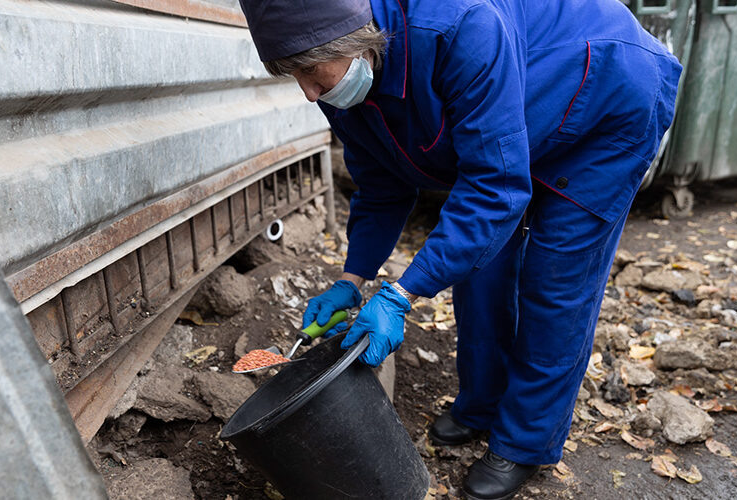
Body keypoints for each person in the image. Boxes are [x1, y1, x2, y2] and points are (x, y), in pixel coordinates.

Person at [238, 0, 681, 498]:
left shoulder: (457, 27)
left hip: (607, 95)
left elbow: (495, 189)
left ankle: (523, 442)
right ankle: (480, 405)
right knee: (481, 265)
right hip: (522, 110)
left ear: (353, 39)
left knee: (555, 282)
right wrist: (352, 279)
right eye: (292, 76)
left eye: (309, 71)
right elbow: (382, 185)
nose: (307, 92)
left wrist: (401, 294)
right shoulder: (341, 82)